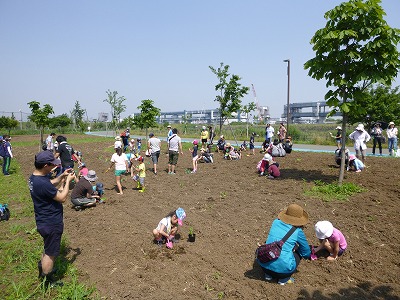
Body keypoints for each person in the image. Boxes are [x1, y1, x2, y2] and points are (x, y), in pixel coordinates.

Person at [29, 151, 76, 287]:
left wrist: (61, 176)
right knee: (51, 253)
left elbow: (50, 184)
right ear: (45, 165)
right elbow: (62, 198)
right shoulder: (42, 183)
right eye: (52, 165)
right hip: (51, 222)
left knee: (47, 247)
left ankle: (43, 269)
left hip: (42, 219)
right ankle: (47, 280)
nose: (54, 167)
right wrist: (67, 182)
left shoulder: (34, 178)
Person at [257, 204, 311, 285]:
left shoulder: (275, 222)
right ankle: (283, 280)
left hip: (264, 266)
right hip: (283, 272)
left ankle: (268, 276)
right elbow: (306, 253)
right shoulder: (298, 231)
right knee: (300, 252)